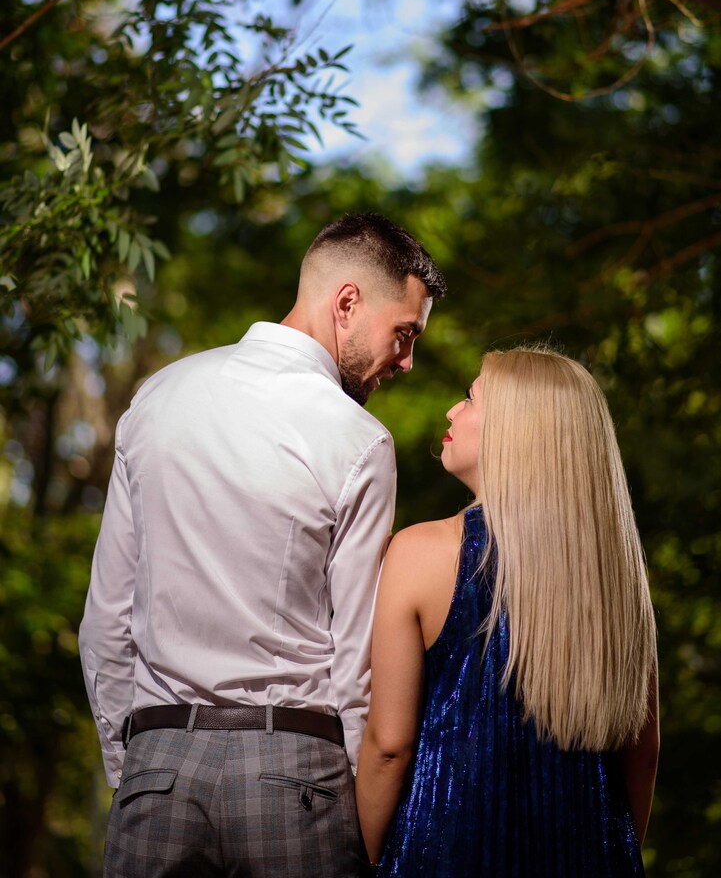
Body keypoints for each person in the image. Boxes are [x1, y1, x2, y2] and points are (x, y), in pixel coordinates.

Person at [78, 212, 446, 878]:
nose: (407, 361)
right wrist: (359, 832)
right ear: (346, 303)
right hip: (295, 779)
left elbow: (105, 622)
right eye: (403, 334)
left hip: (157, 762)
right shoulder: (358, 441)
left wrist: (132, 769)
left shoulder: (157, 398)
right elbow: (353, 661)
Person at [356, 346, 659, 877]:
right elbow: (644, 747)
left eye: (471, 398)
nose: (452, 411)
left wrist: (371, 856)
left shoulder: (422, 552)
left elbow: (388, 746)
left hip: (444, 855)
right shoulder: (618, 577)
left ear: (516, 432)